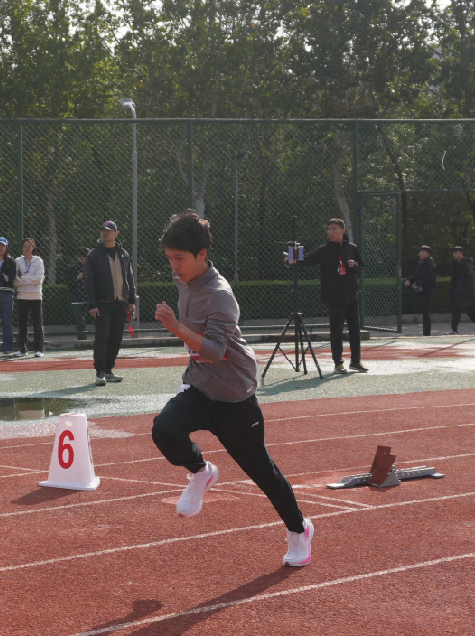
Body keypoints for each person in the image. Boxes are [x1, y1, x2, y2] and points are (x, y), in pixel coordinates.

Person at [152, 211, 314, 566]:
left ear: (202, 255)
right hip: (200, 386)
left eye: (179, 258)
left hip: (234, 396)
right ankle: (201, 472)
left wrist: (176, 328)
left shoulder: (221, 295)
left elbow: (214, 351)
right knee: (164, 429)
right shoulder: (184, 280)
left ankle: (299, 529)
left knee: (262, 472)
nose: (174, 266)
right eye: (170, 258)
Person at [298, 219, 367, 374]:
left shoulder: (352, 248)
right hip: (334, 297)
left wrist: (354, 265)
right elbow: (307, 259)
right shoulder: (323, 250)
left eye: (333, 229)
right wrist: (292, 257)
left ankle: (356, 361)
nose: (330, 232)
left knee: (355, 330)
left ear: (342, 230)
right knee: (336, 331)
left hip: (351, 295)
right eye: (329, 229)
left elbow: (360, 266)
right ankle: (338, 363)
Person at [84, 220, 137, 386]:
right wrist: (92, 304)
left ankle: (109, 369)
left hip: (120, 302)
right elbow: (89, 282)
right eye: (103, 231)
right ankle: (100, 372)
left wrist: (131, 301)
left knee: (116, 338)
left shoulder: (124, 254)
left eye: (109, 231)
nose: (105, 233)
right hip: (102, 304)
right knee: (102, 338)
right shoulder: (93, 255)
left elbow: (130, 278)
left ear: (116, 234)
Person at [14, 238, 45, 358]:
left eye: (30, 246)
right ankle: (22, 349)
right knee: (22, 323)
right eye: (25, 246)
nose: (27, 248)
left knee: (38, 322)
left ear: (33, 248)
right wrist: (31, 280)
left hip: (36, 295)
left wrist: (23, 279)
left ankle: (39, 349)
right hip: (22, 295)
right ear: (22, 247)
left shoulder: (39, 260)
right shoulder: (17, 261)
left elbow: (39, 279)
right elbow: (15, 280)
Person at [448, 246, 475, 335]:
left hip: (466, 294)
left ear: (461, 253)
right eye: (453, 253)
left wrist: (464, 290)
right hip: (459, 293)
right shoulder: (456, 264)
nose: (454, 255)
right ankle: (454, 330)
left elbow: (471, 279)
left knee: (471, 312)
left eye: (456, 253)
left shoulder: (466, 264)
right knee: (456, 311)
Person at [404, 245, 436, 336]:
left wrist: (417, 283)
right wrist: (409, 279)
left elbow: (429, 278)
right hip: (421, 290)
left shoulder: (430, 264)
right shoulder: (420, 263)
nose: (421, 254)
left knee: (426, 312)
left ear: (428, 254)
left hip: (427, 291)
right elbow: (417, 275)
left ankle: (426, 334)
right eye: (420, 252)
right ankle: (426, 333)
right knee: (404, 282)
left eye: (423, 252)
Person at [69, 247, 90, 340]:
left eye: (85, 258)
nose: (83, 260)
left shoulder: (92, 266)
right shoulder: (73, 268)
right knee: (80, 319)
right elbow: (68, 283)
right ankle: (82, 338)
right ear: (77, 257)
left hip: (90, 295)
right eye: (81, 258)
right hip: (77, 296)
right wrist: (77, 278)